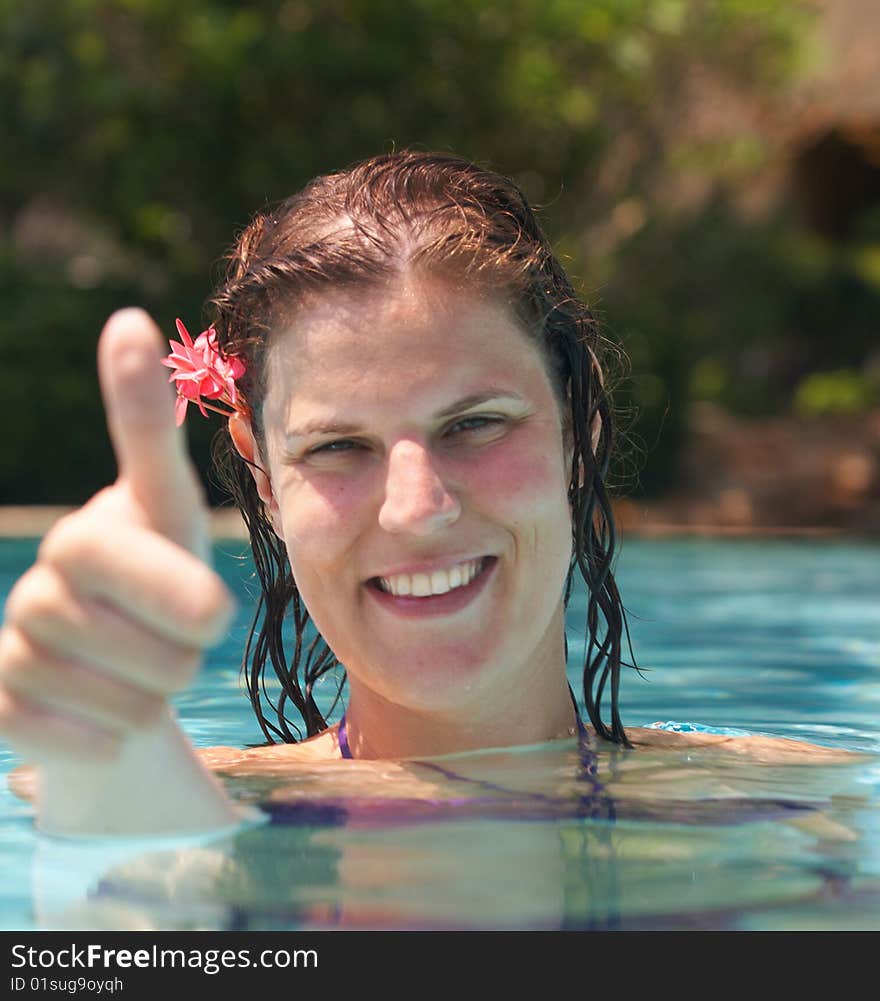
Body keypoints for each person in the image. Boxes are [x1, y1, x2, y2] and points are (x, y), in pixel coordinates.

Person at [0, 150, 854, 840]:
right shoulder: (136, 789)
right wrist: (119, 836)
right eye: (338, 446)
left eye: (475, 424)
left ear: (575, 431)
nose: (416, 507)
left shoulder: (790, 811)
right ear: (263, 474)